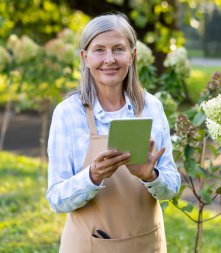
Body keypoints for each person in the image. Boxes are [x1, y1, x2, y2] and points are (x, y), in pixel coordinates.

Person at [46, 13, 180, 253]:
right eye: (99, 50)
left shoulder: (151, 107)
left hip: (147, 244)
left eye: (118, 49)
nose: (109, 59)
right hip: (88, 245)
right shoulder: (68, 114)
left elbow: (172, 186)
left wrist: (152, 177)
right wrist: (92, 177)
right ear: (85, 57)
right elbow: (56, 199)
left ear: (132, 55)